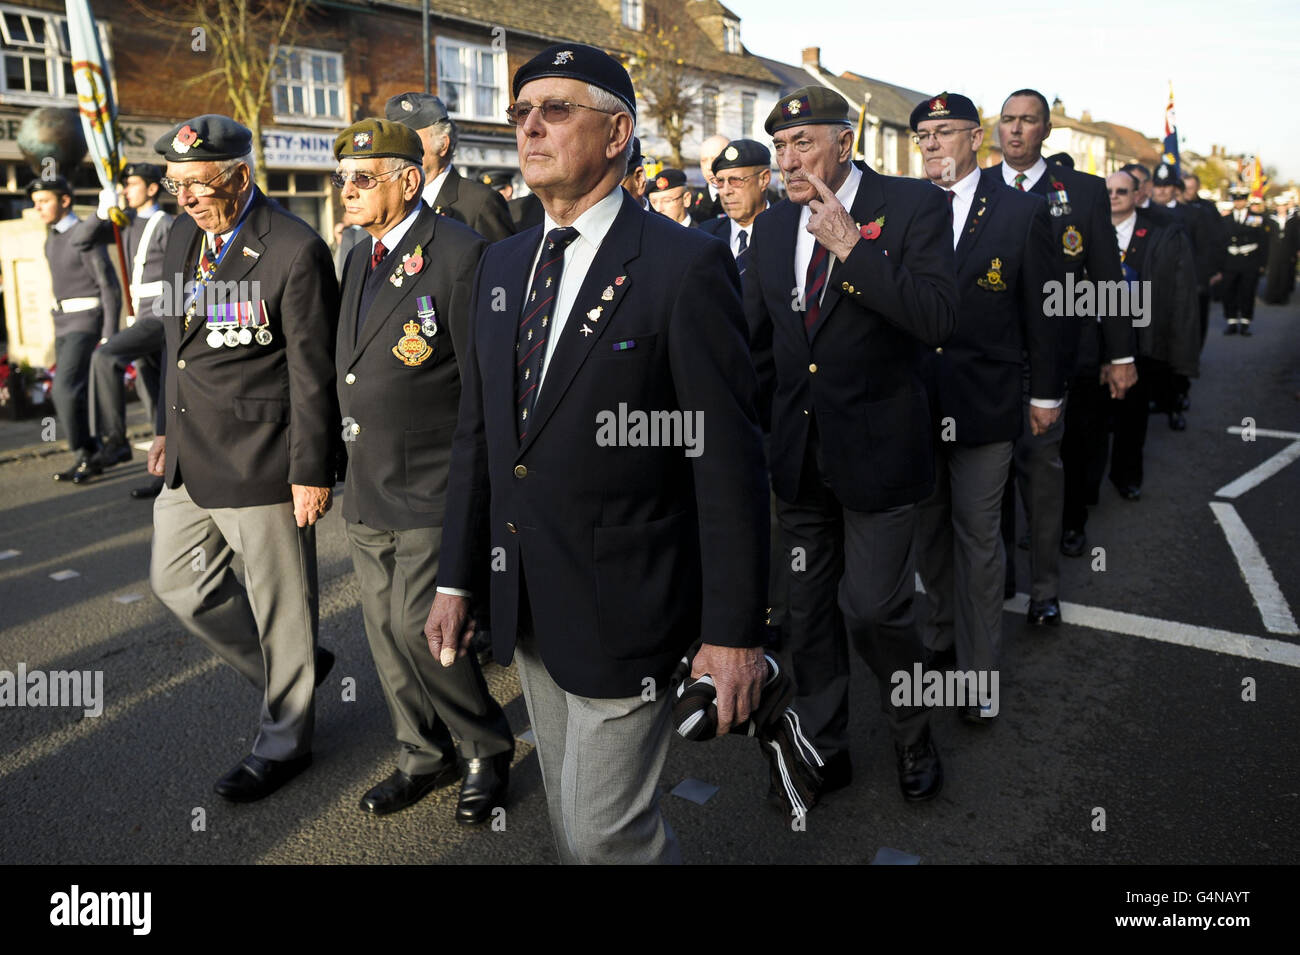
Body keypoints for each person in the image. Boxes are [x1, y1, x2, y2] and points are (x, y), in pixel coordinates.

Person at [424, 44, 768, 864]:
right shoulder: (501, 261)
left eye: (555, 110)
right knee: (575, 826)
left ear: (617, 134)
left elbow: (727, 461)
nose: (530, 126)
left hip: (630, 606)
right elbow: (482, 432)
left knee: (605, 833)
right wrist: (456, 576)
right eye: (520, 113)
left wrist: (733, 634)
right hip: (529, 602)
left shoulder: (683, 265)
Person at [745, 85, 956, 801]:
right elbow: (759, 341)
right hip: (799, 458)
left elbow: (934, 318)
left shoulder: (913, 206)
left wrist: (851, 253)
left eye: (803, 143)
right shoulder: (774, 229)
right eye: (779, 147)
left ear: (844, 141)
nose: (789, 158)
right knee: (808, 612)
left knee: (875, 609)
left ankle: (911, 728)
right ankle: (822, 745)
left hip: (879, 454)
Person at [146, 114, 341, 802]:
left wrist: (311, 467)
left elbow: (313, 372)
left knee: (283, 606)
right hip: (190, 453)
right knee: (178, 582)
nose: (186, 199)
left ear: (240, 175)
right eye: (177, 185)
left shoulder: (293, 248)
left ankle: (285, 740)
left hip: (263, 456)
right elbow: (177, 340)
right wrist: (165, 427)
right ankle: (296, 669)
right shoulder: (178, 237)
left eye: (199, 185)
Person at [330, 119, 514, 822]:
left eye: (362, 177)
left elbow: (482, 384)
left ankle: (484, 745)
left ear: (408, 181)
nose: (346, 189)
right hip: (369, 478)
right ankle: (420, 753)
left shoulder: (460, 255)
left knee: (419, 625)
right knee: (381, 629)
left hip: (434, 478)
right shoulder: (358, 255)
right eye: (342, 177)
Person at [910, 92, 1059, 719]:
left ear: (976, 139)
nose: (932, 144)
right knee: (929, 535)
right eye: (923, 135)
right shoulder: (903, 208)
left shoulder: (1021, 211)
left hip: (985, 401)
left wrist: (1046, 392)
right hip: (915, 404)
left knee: (978, 536)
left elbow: (1044, 310)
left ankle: (976, 677)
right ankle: (940, 639)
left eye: (945, 132)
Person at [994, 90, 1135, 595]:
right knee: (990, 481)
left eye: (1027, 121)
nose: (1014, 129)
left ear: (1045, 131)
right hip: (990, 361)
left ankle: (1045, 587)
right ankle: (1001, 578)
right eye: (1007, 120)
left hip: (1054, 357)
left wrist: (1120, 355)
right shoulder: (978, 186)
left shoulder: (1082, 189)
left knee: (1044, 472)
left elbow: (1106, 280)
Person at [1093, 170, 1198, 506]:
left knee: (1131, 419)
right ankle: (1086, 488)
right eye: (1107, 190)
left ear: (1137, 194)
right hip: (1092, 341)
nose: (1114, 196)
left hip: (1138, 342)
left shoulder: (1158, 234)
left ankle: (1127, 476)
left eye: (1122, 190)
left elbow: (1177, 295)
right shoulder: (1085, 231)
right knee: (1091, 423)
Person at [68, 162, 173, 498]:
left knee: (105, 356)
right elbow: (81, 241)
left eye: (132, 184)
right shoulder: (123, 225)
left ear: (152, 188)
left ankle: (115, 441)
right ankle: (166, 476)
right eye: (124, 186)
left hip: (161, 317)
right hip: (140, 318)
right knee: (154, 393)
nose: (126, 190)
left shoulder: (166, 224)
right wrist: (101, 213)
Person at [31, 175, 123, 485]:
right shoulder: (51, 237)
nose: (38, 207)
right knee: (74, 393)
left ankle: (90, 450)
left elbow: (108, 286)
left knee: (64, 389)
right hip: (63, 324)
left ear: (65, 200)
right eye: (35, 203)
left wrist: (109, 332)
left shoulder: (84, 234)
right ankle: (88, 454)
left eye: (44, 201)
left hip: (87, 322)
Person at [385, 92, 515, 242]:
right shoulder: (392, 200)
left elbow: (504, 262)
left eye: (410, 140)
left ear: (442, 145)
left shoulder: (480, 203)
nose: (399, 149)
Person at [700, 138, 771, 277]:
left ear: (764, 179)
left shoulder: (788, 231)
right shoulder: (705, 235)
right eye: (720, 181)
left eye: (736, 180)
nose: (726, 191)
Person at [1220, 186, 1266, 335]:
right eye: (1236, 199)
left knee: (1247, 292)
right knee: (1229, 292)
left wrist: (1262, 264)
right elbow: (1220, 242)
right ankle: (1231, 321)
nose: (1238, 202)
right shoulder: (1225, 219)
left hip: (1249, 260)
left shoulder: (1256, 218)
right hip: (1230, 260)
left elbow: (1263, 242)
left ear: (1246, 200)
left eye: (1242, 199)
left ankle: (1245, 321)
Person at [1262, 198, 1298, 304]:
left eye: (1283, 206)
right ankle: (1271, 298)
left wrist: (1296, 250)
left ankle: (1283, 297)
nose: (1281, 208)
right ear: (1276, 207)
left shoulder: (1292, 219)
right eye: (1279, 206)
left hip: (1287, 250)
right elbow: (1266, 236)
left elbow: (1296, 236)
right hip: (1273, 250)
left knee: (1284, 274)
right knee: (1273, 274)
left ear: (1286, 207)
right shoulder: (1271, 219)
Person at [690, 133, 730, 221]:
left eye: (715, 159)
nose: (709, 167)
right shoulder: (691, 206)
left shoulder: (751, 199)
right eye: (704, 161)